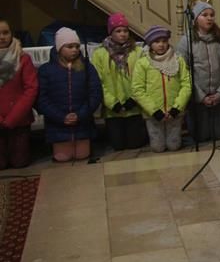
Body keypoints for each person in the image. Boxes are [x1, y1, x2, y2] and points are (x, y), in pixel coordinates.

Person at [35, 27, 101, 162]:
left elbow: (95, 93)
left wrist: (80, 114)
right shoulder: (46, 70)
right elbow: (41, 99)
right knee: (62, 158)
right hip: (57, 125)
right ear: (59, 48)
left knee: (82, 156)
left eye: (77, 46)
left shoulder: (87, 67)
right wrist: (61, 117)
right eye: (70, 46)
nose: (75, 50)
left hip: (83, 123)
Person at [177, 1, 220, 143]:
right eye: (205, 15)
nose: (209, 18)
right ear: (196, 18)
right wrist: (201, 96)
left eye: (212, 15)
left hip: (219, 97)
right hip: (199, 99)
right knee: (201, 137)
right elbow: (183, 71)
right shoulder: (187, 41)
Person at [92, 13, 148, 151]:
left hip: (133, 105)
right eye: (118, 31)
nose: (123, 34)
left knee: (135, 144)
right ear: (111, 33)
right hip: (113, 108)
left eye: (125, 31)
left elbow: (144, 78)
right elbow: (98, 82)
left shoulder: (138, 52)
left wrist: (134, 99)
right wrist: (112, 103)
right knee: (118, 145)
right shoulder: (99, 54)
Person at [133, 26, 192, 153]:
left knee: (174, 146)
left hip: (174, 111)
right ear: (150, 43)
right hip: (154, 113)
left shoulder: (178, 60)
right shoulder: (143, 63)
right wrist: (154, 111)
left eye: (164, 41)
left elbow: (186, 84)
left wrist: (177, 107)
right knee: (158, 148)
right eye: (156, 41)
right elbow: (138, 90)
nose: (161, 45)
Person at [0, 18, 38, 169]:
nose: (2, 37)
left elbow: (31, 89)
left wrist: (13, 118)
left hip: (19, 119)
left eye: (5, 33)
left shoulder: (23, 58)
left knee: (19, 163)